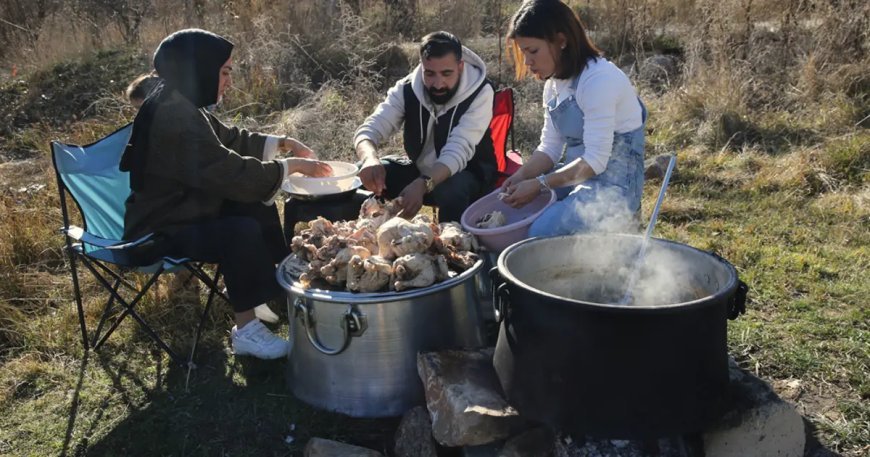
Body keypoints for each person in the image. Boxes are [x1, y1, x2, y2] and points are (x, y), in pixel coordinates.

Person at [120, 28, 331, 359]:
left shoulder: (181, 101)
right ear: (200, 68)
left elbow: (232, 139)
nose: (228, 81)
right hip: (158, 230)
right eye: (225, 72)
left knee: (255, 204)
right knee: (239, 228)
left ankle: (278, 290)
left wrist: (285, 143)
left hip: (183, 212)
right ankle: (246, 330)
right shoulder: (173, 116)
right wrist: (289, 166)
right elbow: (230, 172)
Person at [501, 0, 646, 237]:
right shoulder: (554, 85)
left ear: (561, 41)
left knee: (540, 231)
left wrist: (539, 184)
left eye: (533, 51)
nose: (527, 62)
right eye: (523, 52)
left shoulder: (598, 80)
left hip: (614, 189)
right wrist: (520, 176)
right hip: (577, 179)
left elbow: (596, 161)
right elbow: (549, 149)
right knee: (521, 214)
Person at [354, 31, 496, 222]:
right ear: (422, 67)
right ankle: (360, 238)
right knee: (362, 174)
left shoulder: (481, 92)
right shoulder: (407, 89)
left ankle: (452, 244)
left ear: (460, 67)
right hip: (420, 171)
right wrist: (369, 159)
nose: (438, 84)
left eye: (446, 73)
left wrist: (422, 184)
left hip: (468, 175)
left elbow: (458, 150)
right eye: (430, 73)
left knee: (451, 188)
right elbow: (370, 128)